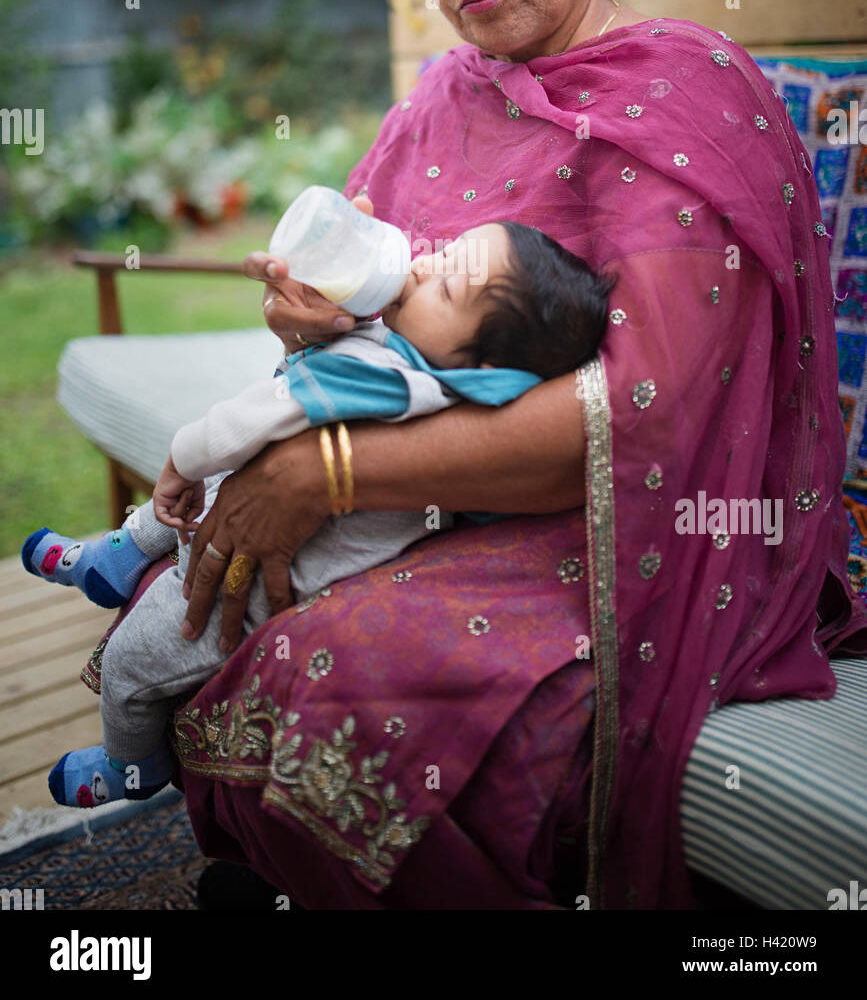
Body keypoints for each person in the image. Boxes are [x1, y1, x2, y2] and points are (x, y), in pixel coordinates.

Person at [86, 0, 867, 909]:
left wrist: (331, 471)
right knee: (200, 588)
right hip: (438, 498)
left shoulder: (692, 98)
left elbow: (650, 413)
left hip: (643, 519)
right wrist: (310, 317)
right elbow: (376, 299)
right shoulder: (448, 97)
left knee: (333, 664)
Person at [24, 218, 611, 808]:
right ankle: (113, 559)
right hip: (248, 509)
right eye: (447, 254)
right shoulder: (430, 376)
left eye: (447, 287)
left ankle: (131, 763)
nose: (425, 265)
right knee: (199, 500)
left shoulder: (382, 380)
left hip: (249, 581)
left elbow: (252, 419)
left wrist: (182, 458)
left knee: (132, 657)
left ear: (487, 370)